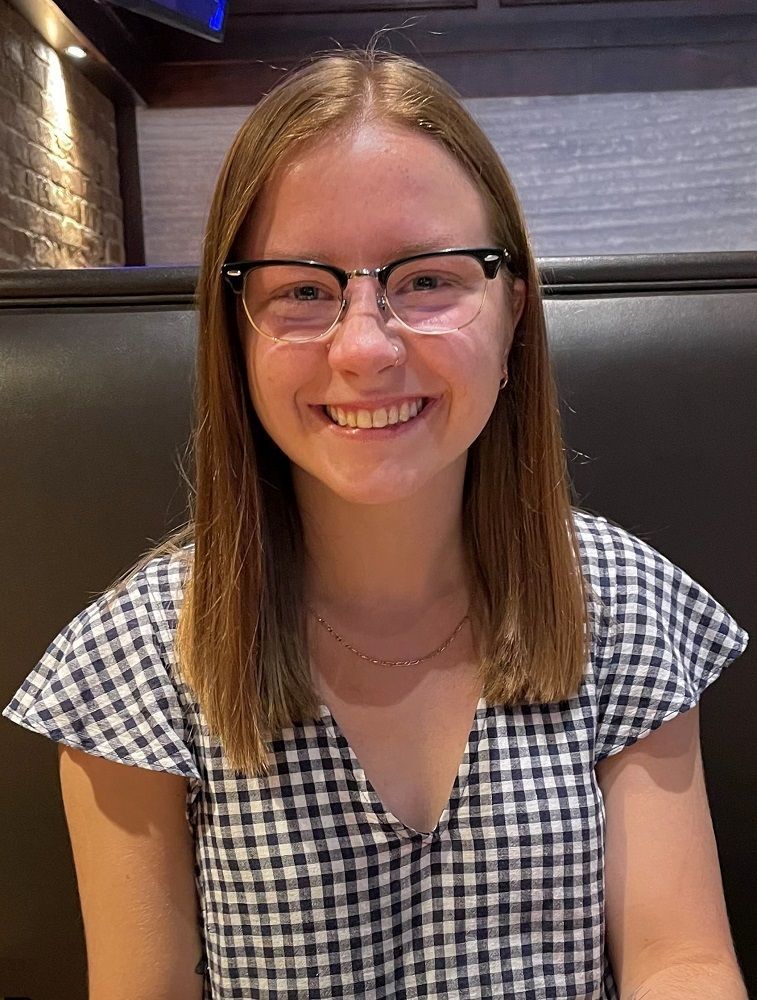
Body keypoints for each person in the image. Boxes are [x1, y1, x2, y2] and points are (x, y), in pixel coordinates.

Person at [2, 48, 750, 1000]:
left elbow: (678, 962)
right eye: (303, 291)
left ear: (513, 310)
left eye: (428, 279)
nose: (363, 347)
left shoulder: (623, 600)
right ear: (233, 334)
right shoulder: (137, 656)